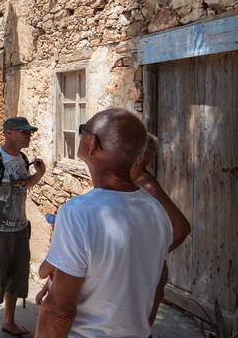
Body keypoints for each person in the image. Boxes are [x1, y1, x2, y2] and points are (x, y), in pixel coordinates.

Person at [35, 108, 173, 338]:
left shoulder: (79, 213)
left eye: (83, 131)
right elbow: (156, 292)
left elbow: (59, 311)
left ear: (93, 145)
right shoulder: (157, 212)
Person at [0, 117, 46, 338]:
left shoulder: (23, 159)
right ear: (9, 133)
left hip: (20, 230)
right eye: (24, 131)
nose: (28, 135)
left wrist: (39, 175)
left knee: (16, 277)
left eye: (29, 132)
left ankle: (9, 322)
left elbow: (23, 186)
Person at [130, 133, 192, 327]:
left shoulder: (147, 185)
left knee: (139, 328)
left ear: (140, 158)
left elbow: (181, 227)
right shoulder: (131, 183)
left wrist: (152, 256)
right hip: (136, 270)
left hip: (149, 272)